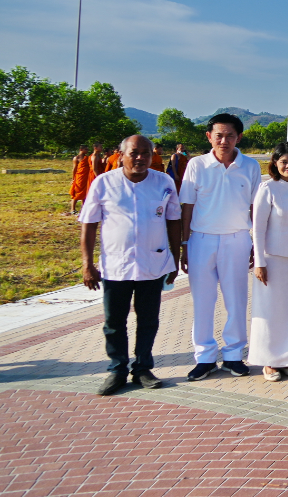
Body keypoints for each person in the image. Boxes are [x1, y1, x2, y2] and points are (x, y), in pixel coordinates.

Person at [79, 135, 181, 395]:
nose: (140, 158)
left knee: (148, 319)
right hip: (116, 266)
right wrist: (87, 265)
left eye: (145, 153)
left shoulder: (164, 182)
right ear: (121, 155)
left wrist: (174, 259)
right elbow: (89, 224)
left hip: (153, 263)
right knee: (114, 322)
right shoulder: (104, 183)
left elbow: (173, 221)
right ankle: (117, 369)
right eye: (134, 153)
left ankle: (143, 368)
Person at [179, 113, 260, 381]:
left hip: (237, 238)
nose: (224, 141)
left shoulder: (250, 166)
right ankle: (204, 357)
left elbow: (255, 208)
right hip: (201, 239)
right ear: (209, 136)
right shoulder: (196, 165)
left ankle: (234, 355)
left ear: (239, 137)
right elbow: (187, 206)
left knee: (236, 299)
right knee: (203, 300)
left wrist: (254, 243)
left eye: (230, 136)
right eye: (218, 135)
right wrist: (184, 244)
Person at [249, 142, 288, 381]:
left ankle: (287, 360)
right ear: (275, 163)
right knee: (270, 311)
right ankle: (269, 362)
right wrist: (259, 262)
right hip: (272, 259)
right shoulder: (267, 189)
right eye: (284, 162)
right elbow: (258, 228)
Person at [69, 145, 91, 214]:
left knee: (85, 193)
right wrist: (73, 179)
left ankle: (83, 208)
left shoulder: (87, 157)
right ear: (81, 149)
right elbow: (74, 169)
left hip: (86, 176)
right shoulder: (77, 158)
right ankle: (73, 209)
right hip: (79, 177)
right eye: (85, 149)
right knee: (77, 192)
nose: (87, 150)